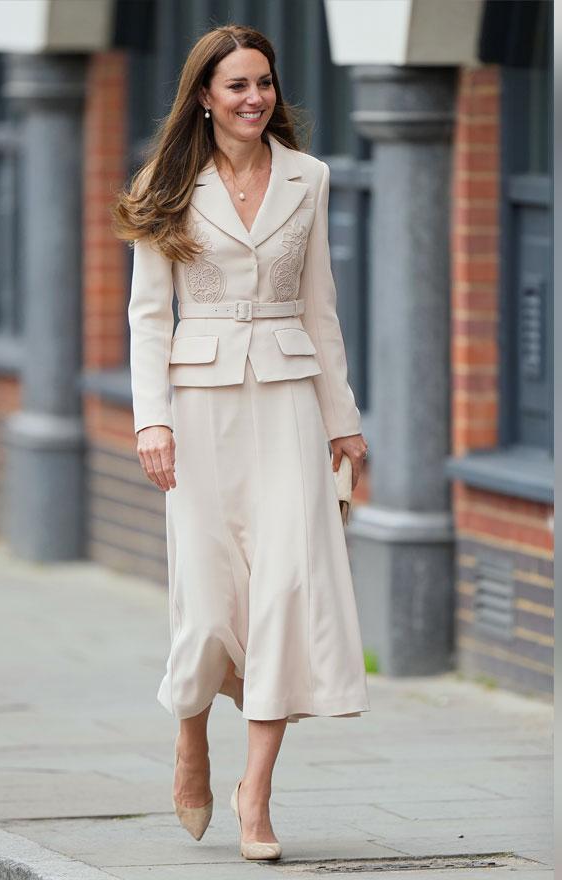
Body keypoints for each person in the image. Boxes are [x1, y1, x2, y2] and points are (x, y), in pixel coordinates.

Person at [112, 24, 370, 862]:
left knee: (288, 589)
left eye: (263, 83)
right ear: (204, 97)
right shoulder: (168, 183)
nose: (255, 98)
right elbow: (149, 316)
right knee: (209, 600)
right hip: (200, 410)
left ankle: (255, 794)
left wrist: (345, 421)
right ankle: (191, 736)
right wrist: (152, 418)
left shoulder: (311, 178)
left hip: (292, 402)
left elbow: (321, 307)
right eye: (236, 86)